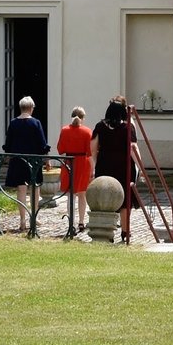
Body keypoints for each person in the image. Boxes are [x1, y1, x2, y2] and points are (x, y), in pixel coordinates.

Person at [91, 95, 140, 243]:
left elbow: (93, 148)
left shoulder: (100, 126)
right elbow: (133, 147)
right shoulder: (128, 127)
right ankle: (125, 232)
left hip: (105, 164)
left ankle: (107, 232)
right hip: (123, 165)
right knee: (125, 200)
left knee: (106, 197)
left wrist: (95, 164)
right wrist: (140, 166)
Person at [2, 96, 50, 223]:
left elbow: (8, 144)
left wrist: (8, 157)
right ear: (31, 108)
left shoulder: (13, 123)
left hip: (18, 160)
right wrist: (47, 160)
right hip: (33, 161)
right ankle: (33, 217)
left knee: (21, 189)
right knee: (35, 189)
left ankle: (22, 219)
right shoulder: (36, 123)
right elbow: (42, 144)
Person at [54, 106, 95, 213]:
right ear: (83, 118)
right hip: (83, 163)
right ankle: (81, 222)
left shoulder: (64, 130)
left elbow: (60, 149)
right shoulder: (87, 131)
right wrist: (93, 168)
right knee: (82, 194)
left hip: (69, 162)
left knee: (70, 195)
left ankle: (71, 222)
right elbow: (89, 152)